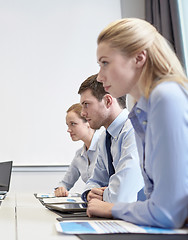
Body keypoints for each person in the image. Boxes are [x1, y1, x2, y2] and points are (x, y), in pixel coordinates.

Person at [87, 18, 188, 229]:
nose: (99, 75)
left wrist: (110, 208)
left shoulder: (165, 97)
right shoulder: (142, 108)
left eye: (105, 62)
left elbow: (167, 213)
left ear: (139, 58)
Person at [79, 74, 144, 203]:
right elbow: (95, 180)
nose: (82, 113)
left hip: (142, 217)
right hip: (118, 217)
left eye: (86, 104)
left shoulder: (134, 129)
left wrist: (102, 196)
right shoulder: (105, 137)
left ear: (108, 101)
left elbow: (121, 195)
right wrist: (89, 194)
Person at [54, 103, 102, 197]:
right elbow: (65, 183)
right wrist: (60, 189)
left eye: (73, 124)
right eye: (68, 125)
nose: (68, 130)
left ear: (88, 122)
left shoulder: (105, 146)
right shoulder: (79, 154)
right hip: (92, 202)